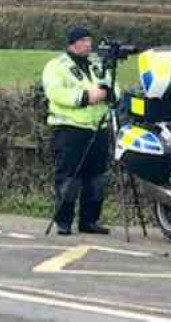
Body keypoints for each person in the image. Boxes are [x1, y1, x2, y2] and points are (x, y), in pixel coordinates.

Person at [41, 26, 118, 236]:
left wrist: (109, 93)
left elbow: (113, 87)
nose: (88, 44)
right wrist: (85, 97)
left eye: (89, 40)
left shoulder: (97, 65)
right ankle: (64, 221)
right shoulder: (57, 66)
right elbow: (55, 92)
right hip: (70, 128)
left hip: (97, 127)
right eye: (84, 40)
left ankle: (89, 220)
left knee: (96, 179)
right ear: (72, 43)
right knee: (69, 178)